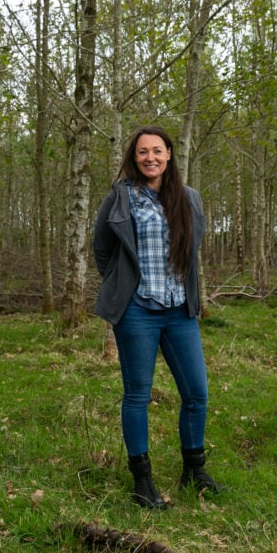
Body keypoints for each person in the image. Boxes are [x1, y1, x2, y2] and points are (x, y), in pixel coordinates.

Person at [92, 126, 224, 509]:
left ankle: (194, 470)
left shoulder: (188, 197)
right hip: (137, 311)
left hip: (180, 310)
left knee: (196, 393)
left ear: (169, 154)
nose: (150, 157)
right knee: (138, 395)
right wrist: (123, 286)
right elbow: (102, 248)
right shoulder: (120, 197)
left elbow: (191, 250)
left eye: (157, 151)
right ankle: (143, 482)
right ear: (134, 158)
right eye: (142, 152)